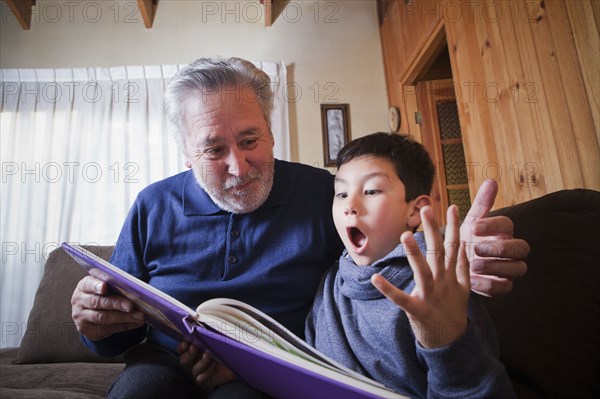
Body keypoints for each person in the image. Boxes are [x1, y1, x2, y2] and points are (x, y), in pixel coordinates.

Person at [70, 57, 528, 398]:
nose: (238, 165)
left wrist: (451, 248)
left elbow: (381, 247)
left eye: (250, 140)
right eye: (213, 150)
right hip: (164, 362)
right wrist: (97, 327)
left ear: (270, 131)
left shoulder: (322, 194)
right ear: (187, 154)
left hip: (266, 373)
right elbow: (118, 331)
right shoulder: (153, 204)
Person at [305, 132, 515, 398]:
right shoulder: (330, 283)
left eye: (371, 191)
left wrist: (447, 343)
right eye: (341, 193)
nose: (350, 206)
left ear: (415, 211)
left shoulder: (438, 285)